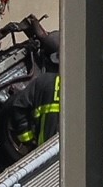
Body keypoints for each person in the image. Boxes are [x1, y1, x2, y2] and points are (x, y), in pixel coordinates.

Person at [7, 30, 62, 158]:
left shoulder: (42, 82)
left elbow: (18, 106)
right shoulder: (84, 81)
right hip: (79, 151)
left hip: (47, 154)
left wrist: (28, 140)